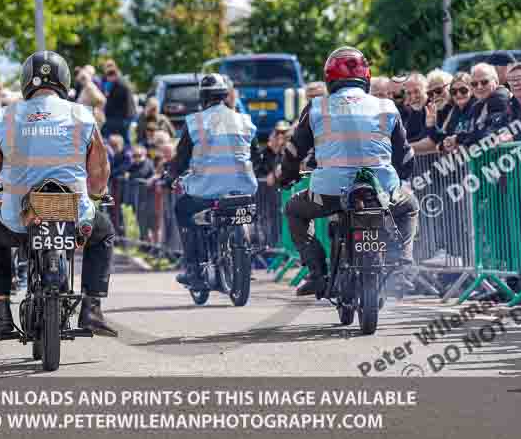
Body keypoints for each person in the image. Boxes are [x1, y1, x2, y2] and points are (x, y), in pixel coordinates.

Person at [0, 50, 117, 341]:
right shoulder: (82, 114)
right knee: (104, 233)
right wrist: (98, 195)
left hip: (19, 217)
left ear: (26, 81)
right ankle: (91, 307)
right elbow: (99, 168)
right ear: (63, 80)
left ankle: (1, 313)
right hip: (72, 213)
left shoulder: (5, 116)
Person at [278, 47, 419, 297]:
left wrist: (287, 177)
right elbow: (405, 155)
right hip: (381, 190)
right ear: (366, 78)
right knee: (409, 207)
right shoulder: (387, 106)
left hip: (330, 192)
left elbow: (292, 151)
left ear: (329, 80)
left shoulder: (316, 107)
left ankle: (317, 273)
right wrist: (400, 178)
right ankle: (403, 269)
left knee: (293, 209)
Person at [165, 74, 261, 288]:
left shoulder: (195, 122)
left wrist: (169, 177)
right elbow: (256, 157)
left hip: (206, 192)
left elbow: (181, 159)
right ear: (225, 96)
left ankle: (194, 269)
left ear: (203, 98)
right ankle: (247, 257)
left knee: (183, 209)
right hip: (243, 190)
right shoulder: (244, 120)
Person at [444, 63, 509, 150]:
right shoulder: (478, 105)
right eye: (474, 84)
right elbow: (474, 133)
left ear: (496, 82)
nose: (479, 87)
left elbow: (489, 133)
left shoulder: (500, 98)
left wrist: (458, 139)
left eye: (484, 82)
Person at [428, 72, 477, 152]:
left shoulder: (476, 106)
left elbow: (479, 133)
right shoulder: (455, 111)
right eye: (454, 92)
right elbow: (443, 138)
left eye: (463, 90)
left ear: (471, 90)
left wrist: (457, 139)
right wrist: (431, 126)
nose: (458, 94)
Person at [417, 70, 454, 153]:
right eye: (430, 94)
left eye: (438, 90)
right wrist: (430, 126)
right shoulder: (435, 111)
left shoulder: (459, 106)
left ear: (450, 86)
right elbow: (433, 139)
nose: (435, 96)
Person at [101, 65, 136, 145]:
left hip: (121, 117)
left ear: (113, 75)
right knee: (124, 137)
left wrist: (108, 96)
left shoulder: (120, 85)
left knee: (123, 138)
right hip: (123, 116)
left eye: (108, 76)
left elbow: (114, 102)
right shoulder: (121, 83)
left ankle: (127, 152)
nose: (107, 79)